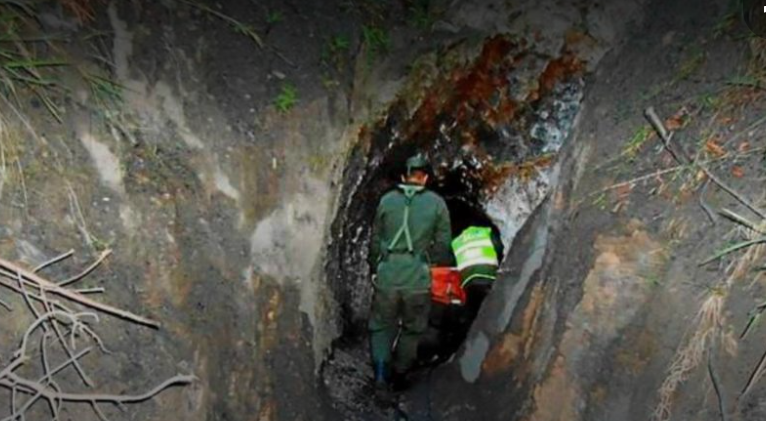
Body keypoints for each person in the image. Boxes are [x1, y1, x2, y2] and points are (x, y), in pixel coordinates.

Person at [368, 153, 452, 392]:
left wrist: (376, 267)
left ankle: (381, 377)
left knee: (382, 325)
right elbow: (444, 244)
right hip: (417, 276)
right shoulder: (437, 204)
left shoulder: (386, 201)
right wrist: (430, 265)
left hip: (388, 274)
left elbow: (375, 240)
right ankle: (400, 374)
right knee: (413, 328)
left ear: (405, 176)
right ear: (424, 178)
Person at [451, 225, 501, 322]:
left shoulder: (457, 241)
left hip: (468, 282)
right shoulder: (487, 234)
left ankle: (468, 323)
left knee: (472, 307)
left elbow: (453, 262)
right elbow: (498, 248)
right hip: (488, 277)